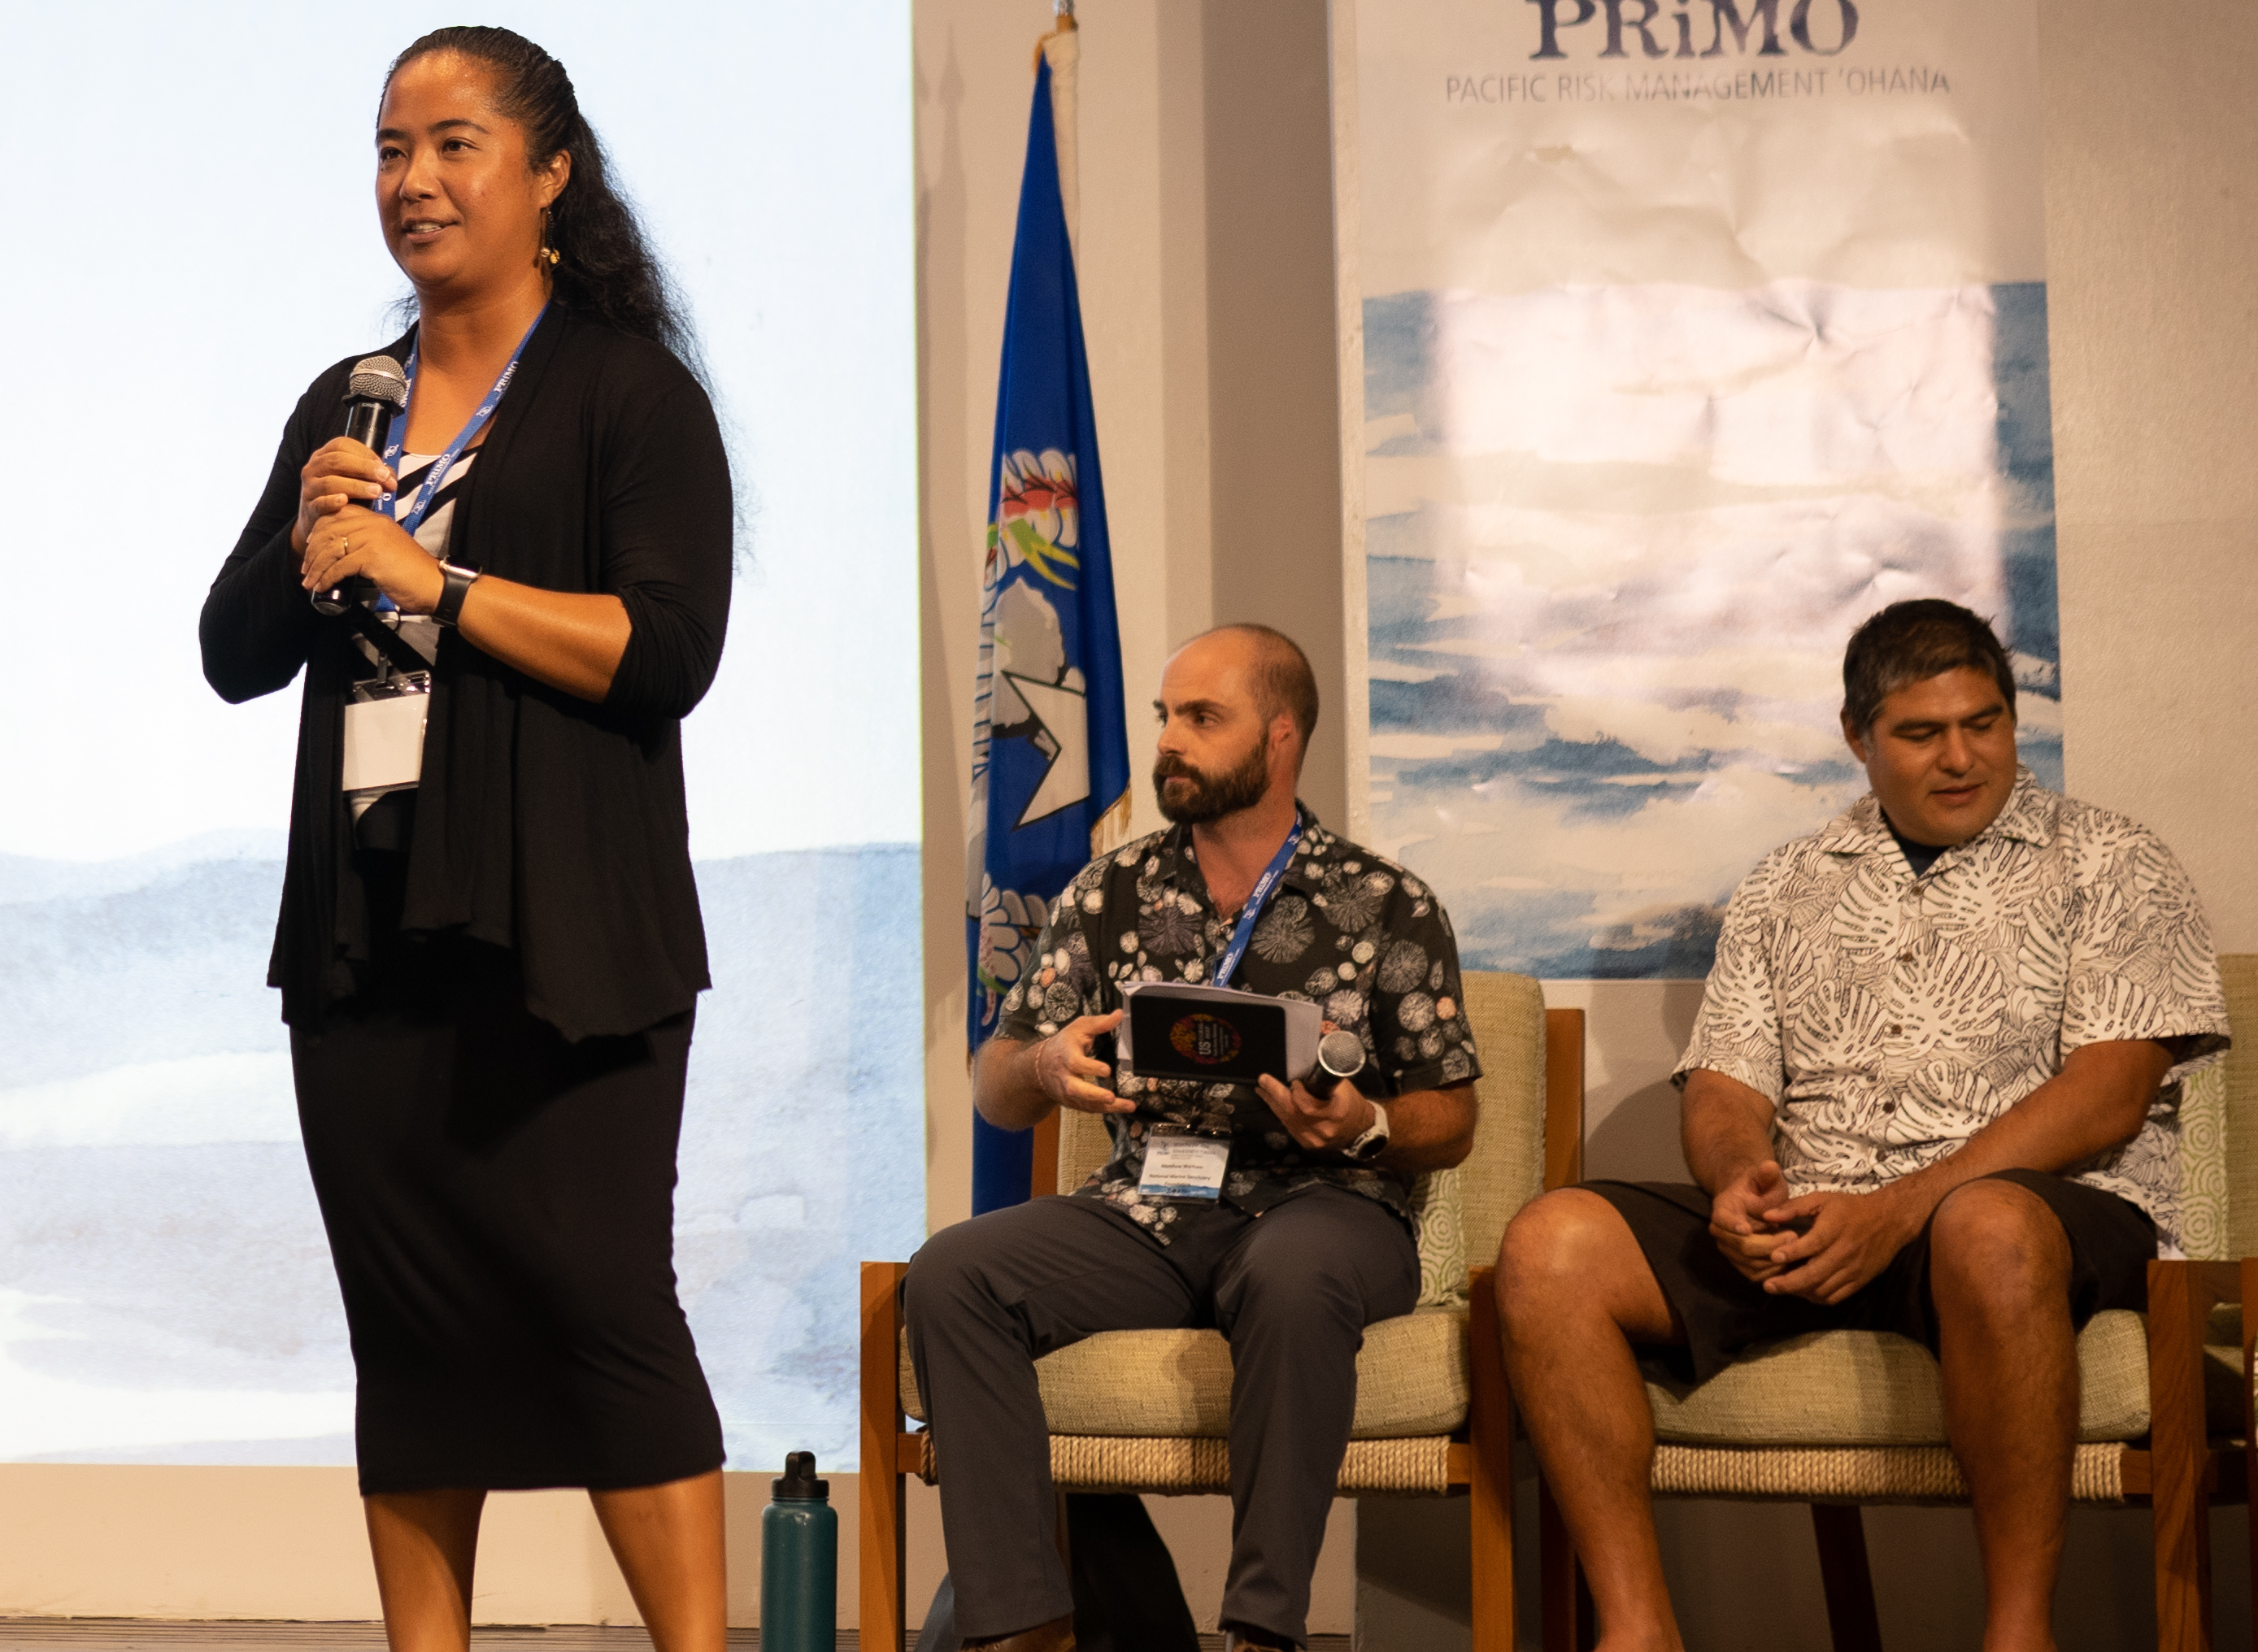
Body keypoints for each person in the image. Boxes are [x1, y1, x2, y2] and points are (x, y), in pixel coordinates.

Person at [199, 26, 735, 1652]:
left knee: (600, 1312)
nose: (412, 181)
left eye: (452, 146)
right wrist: (315, 529)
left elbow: (665, 653)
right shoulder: (346, 402)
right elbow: (234, 651)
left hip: (566, 927)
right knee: (413, 1337)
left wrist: (437, 579)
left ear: (551, 174)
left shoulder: (624, 395)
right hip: (369, 933)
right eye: (387, 149)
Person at [1498, 598, 2226, 1652]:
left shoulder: (2112, 861)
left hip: (2040, 1215)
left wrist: (1904, 1207)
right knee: (1549, 1246)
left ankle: (2018, 1637)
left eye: (1984, 723)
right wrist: (1741, 1178)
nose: (1961, 756)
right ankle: (1638, 1630)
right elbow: (1726, 1087)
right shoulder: (1787, 881)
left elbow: (2111, 1090)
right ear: (1858, 738)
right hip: (1825, 1216)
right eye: (1923, 734)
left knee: (1985, 1228)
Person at [907, 624, 1483, 1652]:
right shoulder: (1107, 892)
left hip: (1328, 1207)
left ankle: (1262, 1632)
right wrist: (1039, 1068)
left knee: (1293, 1276)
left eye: (1201, 719)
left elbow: (1452, 1117)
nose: (1169, 740)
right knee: (953, 1272)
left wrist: (1364, 1125)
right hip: (1148, 1214)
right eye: (1165, 717)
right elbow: (998, 1084)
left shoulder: (1387, 903)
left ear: (1279, 737)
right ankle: (1025, 1628)